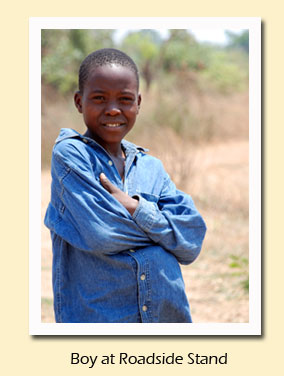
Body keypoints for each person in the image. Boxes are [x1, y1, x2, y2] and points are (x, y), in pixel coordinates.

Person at [44, 48, 206, 323]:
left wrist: (133, 207)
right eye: (99, 98)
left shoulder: (150, 167)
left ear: (138, 103)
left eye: (125, 99)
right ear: (79, 101)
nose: (113, 109)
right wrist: (167, 237)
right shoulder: (71, 156)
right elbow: (103, 234)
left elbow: (192, 240)